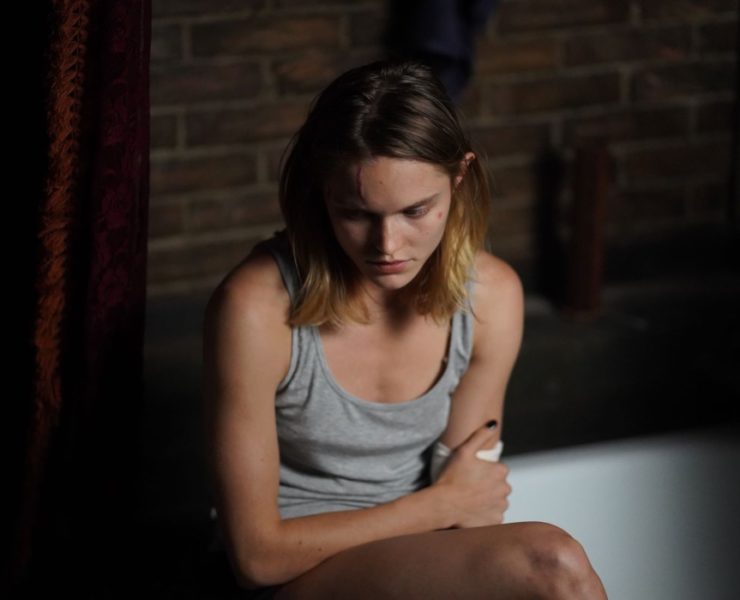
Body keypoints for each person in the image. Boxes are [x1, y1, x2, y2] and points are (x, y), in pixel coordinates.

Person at [202, 59, 607, 599]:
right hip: (292, 577)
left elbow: (471, 509)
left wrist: (452, 511)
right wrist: (436, 506)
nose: (387, 246)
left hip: (413, 560)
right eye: (356, 213)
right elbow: (256, 558)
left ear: (459, 177)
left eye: (415, 210)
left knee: (552, 571)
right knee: (552, 562)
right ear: (321, 192)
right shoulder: (254, 308)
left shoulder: (489, 298)